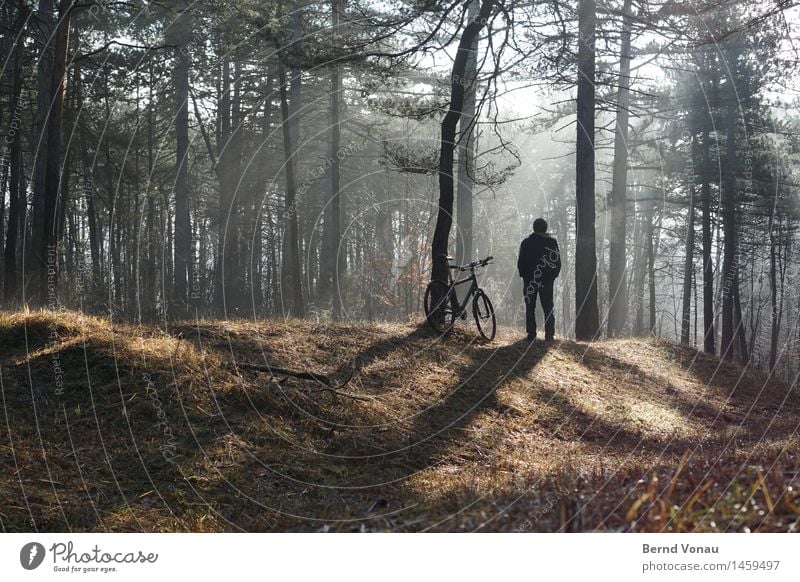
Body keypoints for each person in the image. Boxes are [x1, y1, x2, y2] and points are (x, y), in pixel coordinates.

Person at [517, 218, 561, 342]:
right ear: (545, 228)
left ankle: (531, 334)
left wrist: (524, 276)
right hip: (547, 281)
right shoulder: (552, 242)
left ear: (534, 228)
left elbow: (520, 262)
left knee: (530, 307)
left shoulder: (526, 242)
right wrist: (553, 276)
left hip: (530, 281)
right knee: (548, 307)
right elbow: (557, 262)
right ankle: (549, 335)